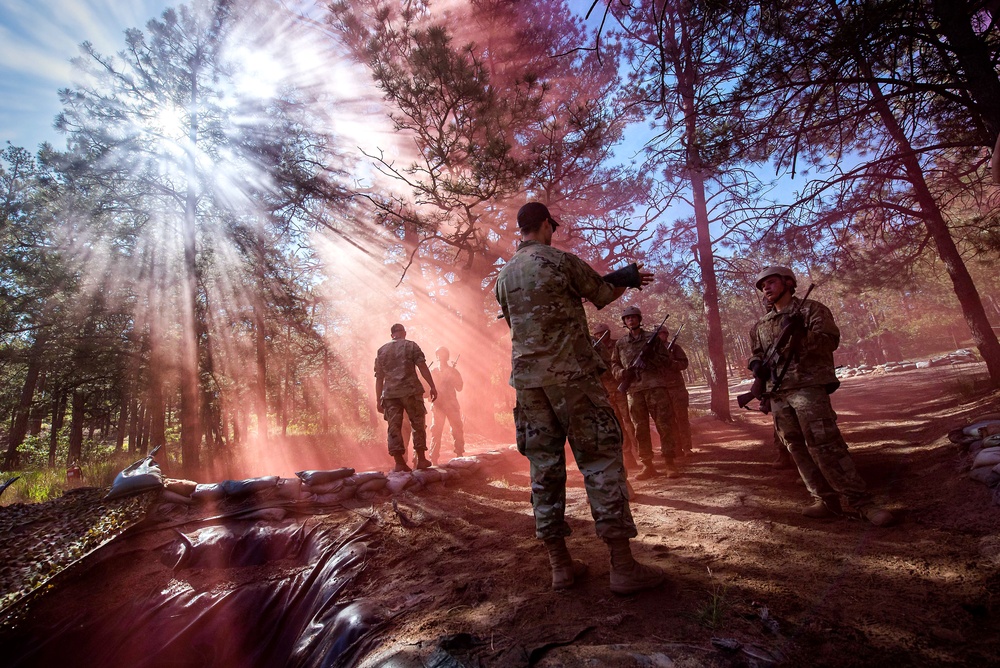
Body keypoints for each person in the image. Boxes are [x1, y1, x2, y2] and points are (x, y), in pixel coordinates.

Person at [495, 201, 664, 594]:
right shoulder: (559, 260)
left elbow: (525, 314)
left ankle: (560, 566)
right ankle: (622, 567)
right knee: (601, 460)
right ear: (543, 225)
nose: (553, 231)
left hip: (528, 386)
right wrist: (629, 278)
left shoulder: (503, 277)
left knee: (543, 470)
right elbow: (602, 293)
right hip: (573, 378)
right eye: (551, 226)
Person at [748, 266, 893, 526]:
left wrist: (801, 333)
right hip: (779, 392)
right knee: (795, 446)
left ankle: (862, 503)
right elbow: (757, 352)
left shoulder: (811, 310)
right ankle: (824, 499)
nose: (766, 288)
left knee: (824, 443)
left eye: (770, 282)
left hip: (808, 386)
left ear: (788, 283)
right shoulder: (761, 324)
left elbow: (829, 342)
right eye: (762, 286)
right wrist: (756, 366)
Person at [612, 306, 680, 480]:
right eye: (627, 318)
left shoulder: (652, 338)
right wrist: (622, 374)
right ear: (624, 322)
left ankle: (670, 463)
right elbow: (614, 365)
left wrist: (651, 359)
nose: (631, 320)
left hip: (655, 387)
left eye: (634, 317)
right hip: (634, 391)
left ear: (639, 319)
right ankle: (647, 465)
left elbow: (666, 360)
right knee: (639, 428)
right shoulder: (620, 343)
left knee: (664, 425)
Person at [374, 323, 438, 472]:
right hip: (411, 392)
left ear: (392, 335)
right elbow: (422, 366)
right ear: (404, 333)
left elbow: (379, 378)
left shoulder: (382, 350)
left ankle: (399, 463)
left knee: (394, 427)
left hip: (390, 395)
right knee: (418, 424)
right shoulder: (411, 346)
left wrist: (378, 400)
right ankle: (421, 459)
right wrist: (432, 386)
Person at [593, 323, 640, 469]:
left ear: (608, 333)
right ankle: (628, 456)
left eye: (603, 333)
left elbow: (620, 364)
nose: (601, 336)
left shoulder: (618, 345)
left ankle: (640, 451)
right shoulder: (592, 350)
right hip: (606, 391)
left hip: (621, 388)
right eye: (598, 334)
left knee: (630, 420)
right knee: (617, 424)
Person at [654, 325, 693, 456]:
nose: (660, 336)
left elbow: (684, 363)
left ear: (666, 335)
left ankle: (687, 448)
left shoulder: (675, 348)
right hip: (662, 390)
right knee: (668, 421)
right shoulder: (653, 351)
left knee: (682, 419)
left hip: (677, 388)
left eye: (662, 334)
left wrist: (671, 363)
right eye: (658, 334)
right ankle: (676, 448)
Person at [429, 346, 465, 464]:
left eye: (443, 354)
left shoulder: (453, 371)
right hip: (438, 405)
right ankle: (434, 458)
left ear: (447, 356)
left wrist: (452, 378)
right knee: (436, 431)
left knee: (457, 429)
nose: (441, 357)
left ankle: (459, 453)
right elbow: (427, 388)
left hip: (451, 404)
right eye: (439, 354)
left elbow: (459, 387)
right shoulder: (433, 372)